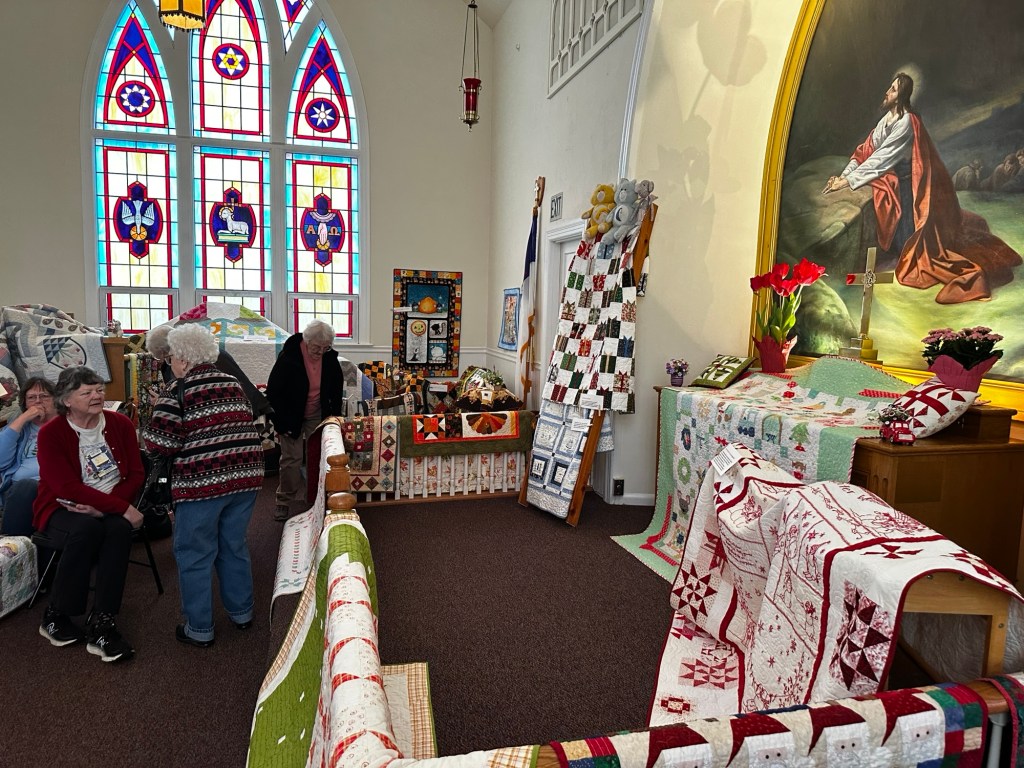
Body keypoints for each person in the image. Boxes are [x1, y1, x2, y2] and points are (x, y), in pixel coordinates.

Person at [823, 72, 1021, 304]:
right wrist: (842, 177)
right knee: (900, 246)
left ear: (901, 96)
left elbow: (881, 159)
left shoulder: (907, 122)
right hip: (896, 186)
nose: (887, 92)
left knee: (915, 251)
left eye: (893, 89)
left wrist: (847, 182)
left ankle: (971, 277)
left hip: (911, 190)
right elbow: (865, 152)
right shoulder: (886, 120)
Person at [144, 324, 265, 647]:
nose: (170, 363)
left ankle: (199, 628)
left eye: (171, 357)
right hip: (246, 477)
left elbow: (161, 444)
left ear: (183, 359)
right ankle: (242, 613)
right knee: (233, 545)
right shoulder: (232, 382)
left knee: (194, 553)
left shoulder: (177, 390)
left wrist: (156, 415)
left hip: (202, 483)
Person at [33, 366, 144, 662]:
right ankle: (56, 614)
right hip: (61, 507)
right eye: (87, 392)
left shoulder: (120, 423)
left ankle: (103, 622)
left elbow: (136, 474)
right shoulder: (51, 433)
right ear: (67, 400)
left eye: (99, 390)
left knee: (118, 530)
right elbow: (65, 487)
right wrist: (121, 508)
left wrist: (107, 506)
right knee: (87, 528)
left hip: (108, 504)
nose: (97, 396)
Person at [265, 319, 343, 521]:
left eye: (326, 348)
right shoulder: (289, 357)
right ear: (307, 341)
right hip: (290, 414)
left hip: (317, 412)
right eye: (317, 347)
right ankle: (283, 500)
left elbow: (336, 389)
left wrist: (335, 416)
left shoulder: (329, 357)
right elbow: (273, 393)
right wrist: (281, 422)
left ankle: (316, 497)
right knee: (292, 459)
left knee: (318, 455)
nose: (321, 352)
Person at [145, 323, 272, 420]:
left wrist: (165, 403)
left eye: (167, 358)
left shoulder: (208, 362)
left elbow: (198, 401)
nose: (167, 363)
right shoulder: (209, 356)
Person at [0, 377, 57, 536]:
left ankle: (13, 546)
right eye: (31, 398)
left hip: (54, 488)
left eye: (44, 396)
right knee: (25, 487)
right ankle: (14, 547)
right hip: (19, 491)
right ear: (25, 404)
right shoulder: (21, 427)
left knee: (27, 486)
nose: (38, 401)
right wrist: (22, 419)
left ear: (56, 400)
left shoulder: (67, 426)